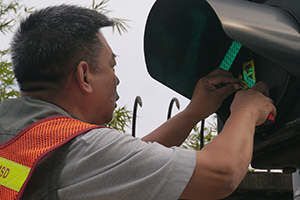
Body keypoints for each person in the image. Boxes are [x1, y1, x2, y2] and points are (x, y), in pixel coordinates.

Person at [0, 4, 276, 200]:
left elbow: (120, 166)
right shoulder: (81, 149)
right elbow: (222, 174)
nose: (117, 80)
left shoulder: (21, 136)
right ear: (84, 76)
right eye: (112, 66)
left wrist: (194, 112)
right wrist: (247, 110)